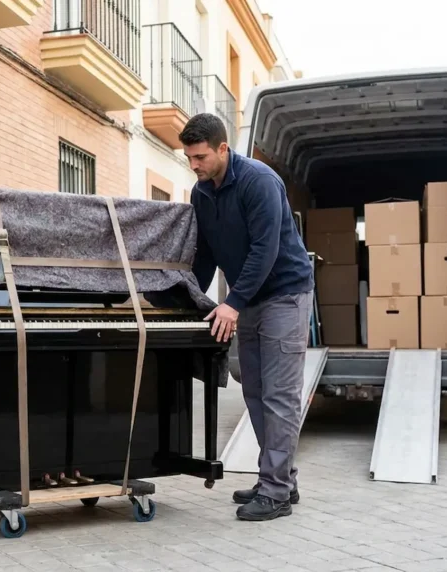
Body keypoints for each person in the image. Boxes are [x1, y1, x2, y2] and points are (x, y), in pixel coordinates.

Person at [179, 113, 314, 522]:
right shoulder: (201, 193)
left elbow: (265, 249)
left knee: (279, 396)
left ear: (223, 148)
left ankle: (274, 493)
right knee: (254, 392)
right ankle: (280, 480)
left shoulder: (259, 181)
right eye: (189, 158)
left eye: (200, 156)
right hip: (249, 299)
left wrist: (232, 303)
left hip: (285, 296)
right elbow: (205, 254)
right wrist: (190, 299)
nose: (195, 165)